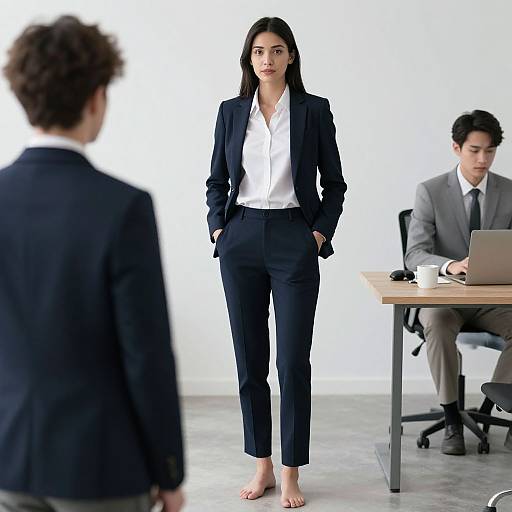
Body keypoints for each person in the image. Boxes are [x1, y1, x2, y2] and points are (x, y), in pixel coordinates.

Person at [0, 15, 184, 512]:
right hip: (99, 465)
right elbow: (147, 356)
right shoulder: (123, 207)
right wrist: (168, 470)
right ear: (96, 97)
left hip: (8, 457)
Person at [206, 16, 346, 508]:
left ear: (291, 57)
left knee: (291, 363)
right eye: (260, 51)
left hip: (292, 236)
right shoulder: (230, 112)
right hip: (241, 235)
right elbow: (216, 180)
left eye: (278, 50)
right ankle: (261, 463)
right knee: (250, 362)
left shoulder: (313, 110)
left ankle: (291, 471)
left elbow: (335, 184)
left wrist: (318, 233)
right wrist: (219, 229)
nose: (268, 59)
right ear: (249, 58)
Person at [405, 110, 512, 455]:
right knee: (435, 320)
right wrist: (451, 265)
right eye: (474, 150)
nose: (483, 159)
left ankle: (496, 408)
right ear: (456, 147)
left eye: (490, 151)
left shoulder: (509, 192)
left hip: (493, 299)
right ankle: (452, 418)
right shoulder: (431, 191)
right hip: (445, 298)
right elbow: (415, 255)